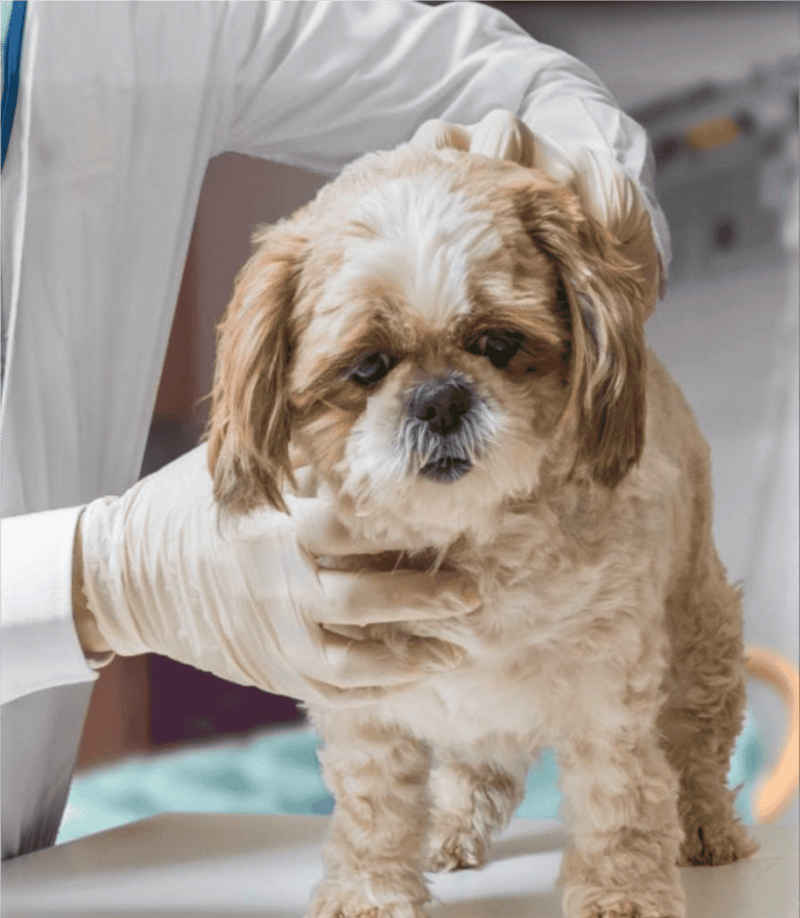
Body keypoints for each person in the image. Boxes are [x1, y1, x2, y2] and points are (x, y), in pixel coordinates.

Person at [0, 0, 669, 860]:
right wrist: (95, 583)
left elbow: (523, 83)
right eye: (369, 367)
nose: (437, 400)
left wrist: (595, 212)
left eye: (496, 346)